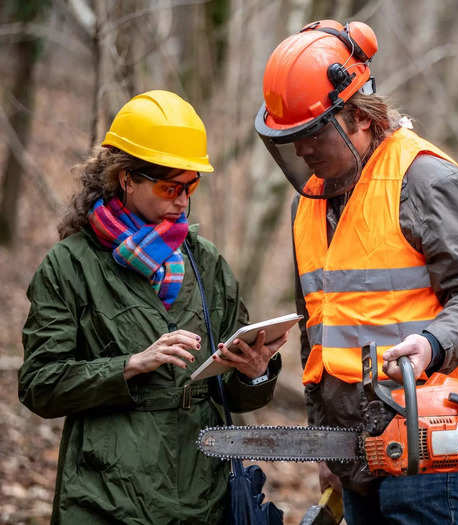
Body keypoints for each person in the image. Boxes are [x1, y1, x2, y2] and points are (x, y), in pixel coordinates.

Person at [254, 20, 458, 525]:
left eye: (311, 134)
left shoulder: (427, 181)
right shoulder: (309, 204)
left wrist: (432, 344)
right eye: (290, 139)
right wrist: (328, 446)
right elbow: (322, 330)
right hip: (356, 446)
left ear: (360, 118)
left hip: (433, 437)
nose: (303, 150)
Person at [18, 90, 286, 524]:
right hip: (106, 497)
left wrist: (254, 371)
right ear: (126, 179)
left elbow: (235, 392)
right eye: (170, 187)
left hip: (204, 494)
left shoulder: (207, 263)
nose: (183, 200)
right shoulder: (70, 265)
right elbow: (39, 385)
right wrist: (129, 365)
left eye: (191, 186)